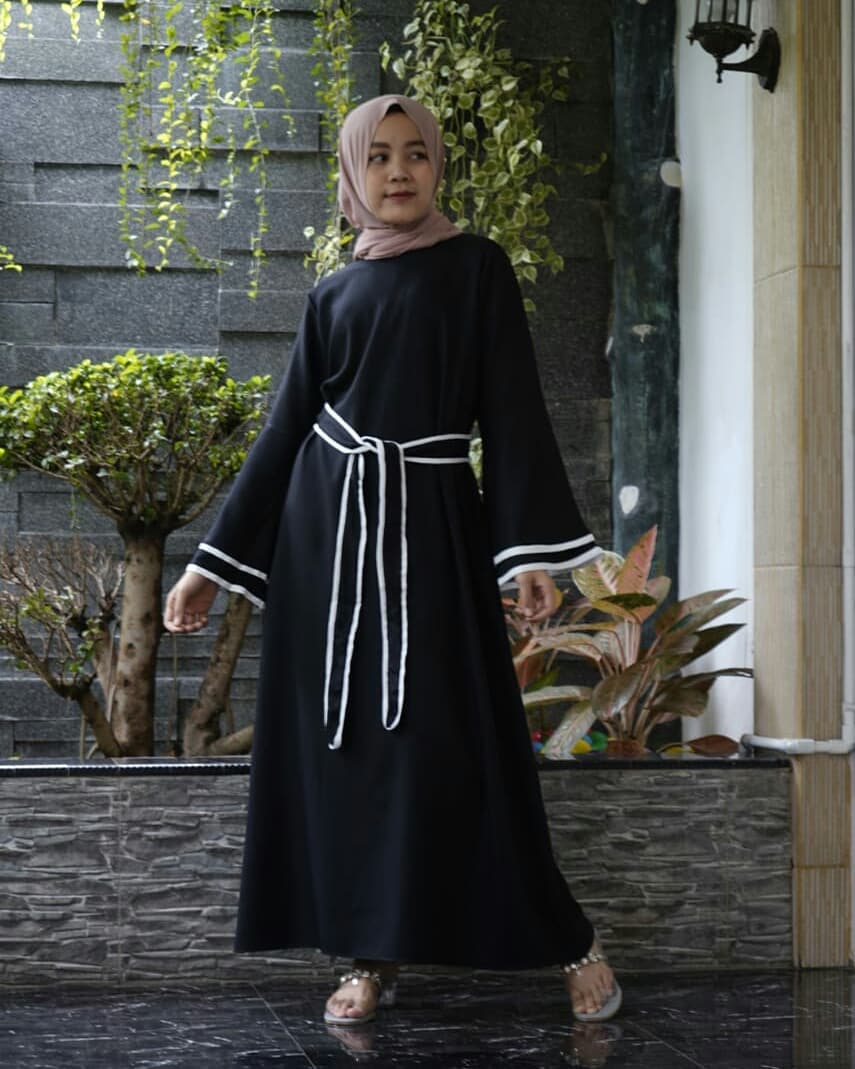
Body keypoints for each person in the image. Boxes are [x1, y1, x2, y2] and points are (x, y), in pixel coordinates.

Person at [164, 94, 621, 1028]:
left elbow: (512, 411)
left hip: (434, 539)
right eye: (377, 156)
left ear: (438, 166)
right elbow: (285, 431)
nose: (399, 170)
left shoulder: (476, 268)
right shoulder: (333, 294)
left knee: (460, 749)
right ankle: (367, 955)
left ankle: (570, 937)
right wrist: (209, 564)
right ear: (350, 174)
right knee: (349, 759)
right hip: (328, 553)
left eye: (415, 152)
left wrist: (523, 556)